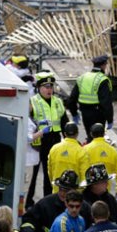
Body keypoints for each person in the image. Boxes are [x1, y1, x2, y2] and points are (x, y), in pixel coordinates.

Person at [20, 169, 92, 232]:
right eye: (60, 189)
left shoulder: (84, 208)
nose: (62, 193)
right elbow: (28, 219)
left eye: (66, 190)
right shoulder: (46, 204)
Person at [29, 72, 70, 201]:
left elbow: (64, 122)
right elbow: (28, 122)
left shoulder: (58, 102)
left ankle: (49, 199)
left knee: (51, 173)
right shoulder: (32, 102)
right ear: (39, 88)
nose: (49, 90)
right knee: (33, 173)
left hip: (54, 140)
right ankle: (28, 200)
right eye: (46, 87)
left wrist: (68, 139)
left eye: (51, 87)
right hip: (38, 142)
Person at [67, 55, 112, 136]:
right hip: (98, 114)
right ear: (103, 65)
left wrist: (74, 113)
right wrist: (110, 119)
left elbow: (72, 98)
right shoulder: (102, 79)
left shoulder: (82, 77)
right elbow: (106, 103)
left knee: (89, 135)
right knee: (98, 138)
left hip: (85, 112)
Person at [81, 123, 117, 194]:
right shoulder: (113, 151)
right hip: (107, 191)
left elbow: (82, 171)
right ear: (104, 134)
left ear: (91, 134)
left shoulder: (84, 150)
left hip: (91, 190)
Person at [48, 123, 88, 195]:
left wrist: (54, 186)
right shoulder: (81, 151)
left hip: (57, 191)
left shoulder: (54, 148)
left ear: (64, 134)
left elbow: (50, 171)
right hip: (73, 195)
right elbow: (84, 176)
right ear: (77, 134)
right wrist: (79, 192)